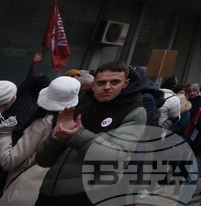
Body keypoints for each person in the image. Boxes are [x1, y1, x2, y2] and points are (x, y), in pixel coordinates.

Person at [35, 61, 146, 206]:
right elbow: (42, 160)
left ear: (126, 83)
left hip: (88, 196)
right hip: (49, 192)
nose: (107, 87)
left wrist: (76, 135)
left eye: (114, 82)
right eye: (101, 83)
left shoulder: (133, 111)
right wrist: (56, 139)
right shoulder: (79, 107)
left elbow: (117, 158)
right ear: (93, 85)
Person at [0, 76, 79, 206]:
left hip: (20, 193)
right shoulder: (75, 122)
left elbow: (9, 161)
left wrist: (4, 133)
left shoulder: (43, 124)